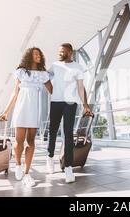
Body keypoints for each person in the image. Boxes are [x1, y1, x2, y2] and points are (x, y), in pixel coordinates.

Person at [0, 47, 52, 187]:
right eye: (35, 54)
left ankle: (27, 174)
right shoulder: (21, 72)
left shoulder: (43, 74)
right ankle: (18, 165)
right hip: (22, 107)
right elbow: (15, 93)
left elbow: (53, 91)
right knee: (19, 141)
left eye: (39, 53)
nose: (38, 55)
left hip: (35, 108)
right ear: (29, 56)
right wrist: (5, 112)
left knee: (31, 141)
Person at [46, 43, 91, 183]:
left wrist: (86, 105)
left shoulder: (77, 67)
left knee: (68, 134)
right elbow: (45, 79)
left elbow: (80, 87)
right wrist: (53, 92)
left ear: (70, 52)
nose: (60, 53)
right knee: (52, 131)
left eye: (63, 51)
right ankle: (50, 157)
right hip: (56, 102)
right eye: (59, 51)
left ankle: (68, 167)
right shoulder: (54, 65)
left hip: (70, 103)